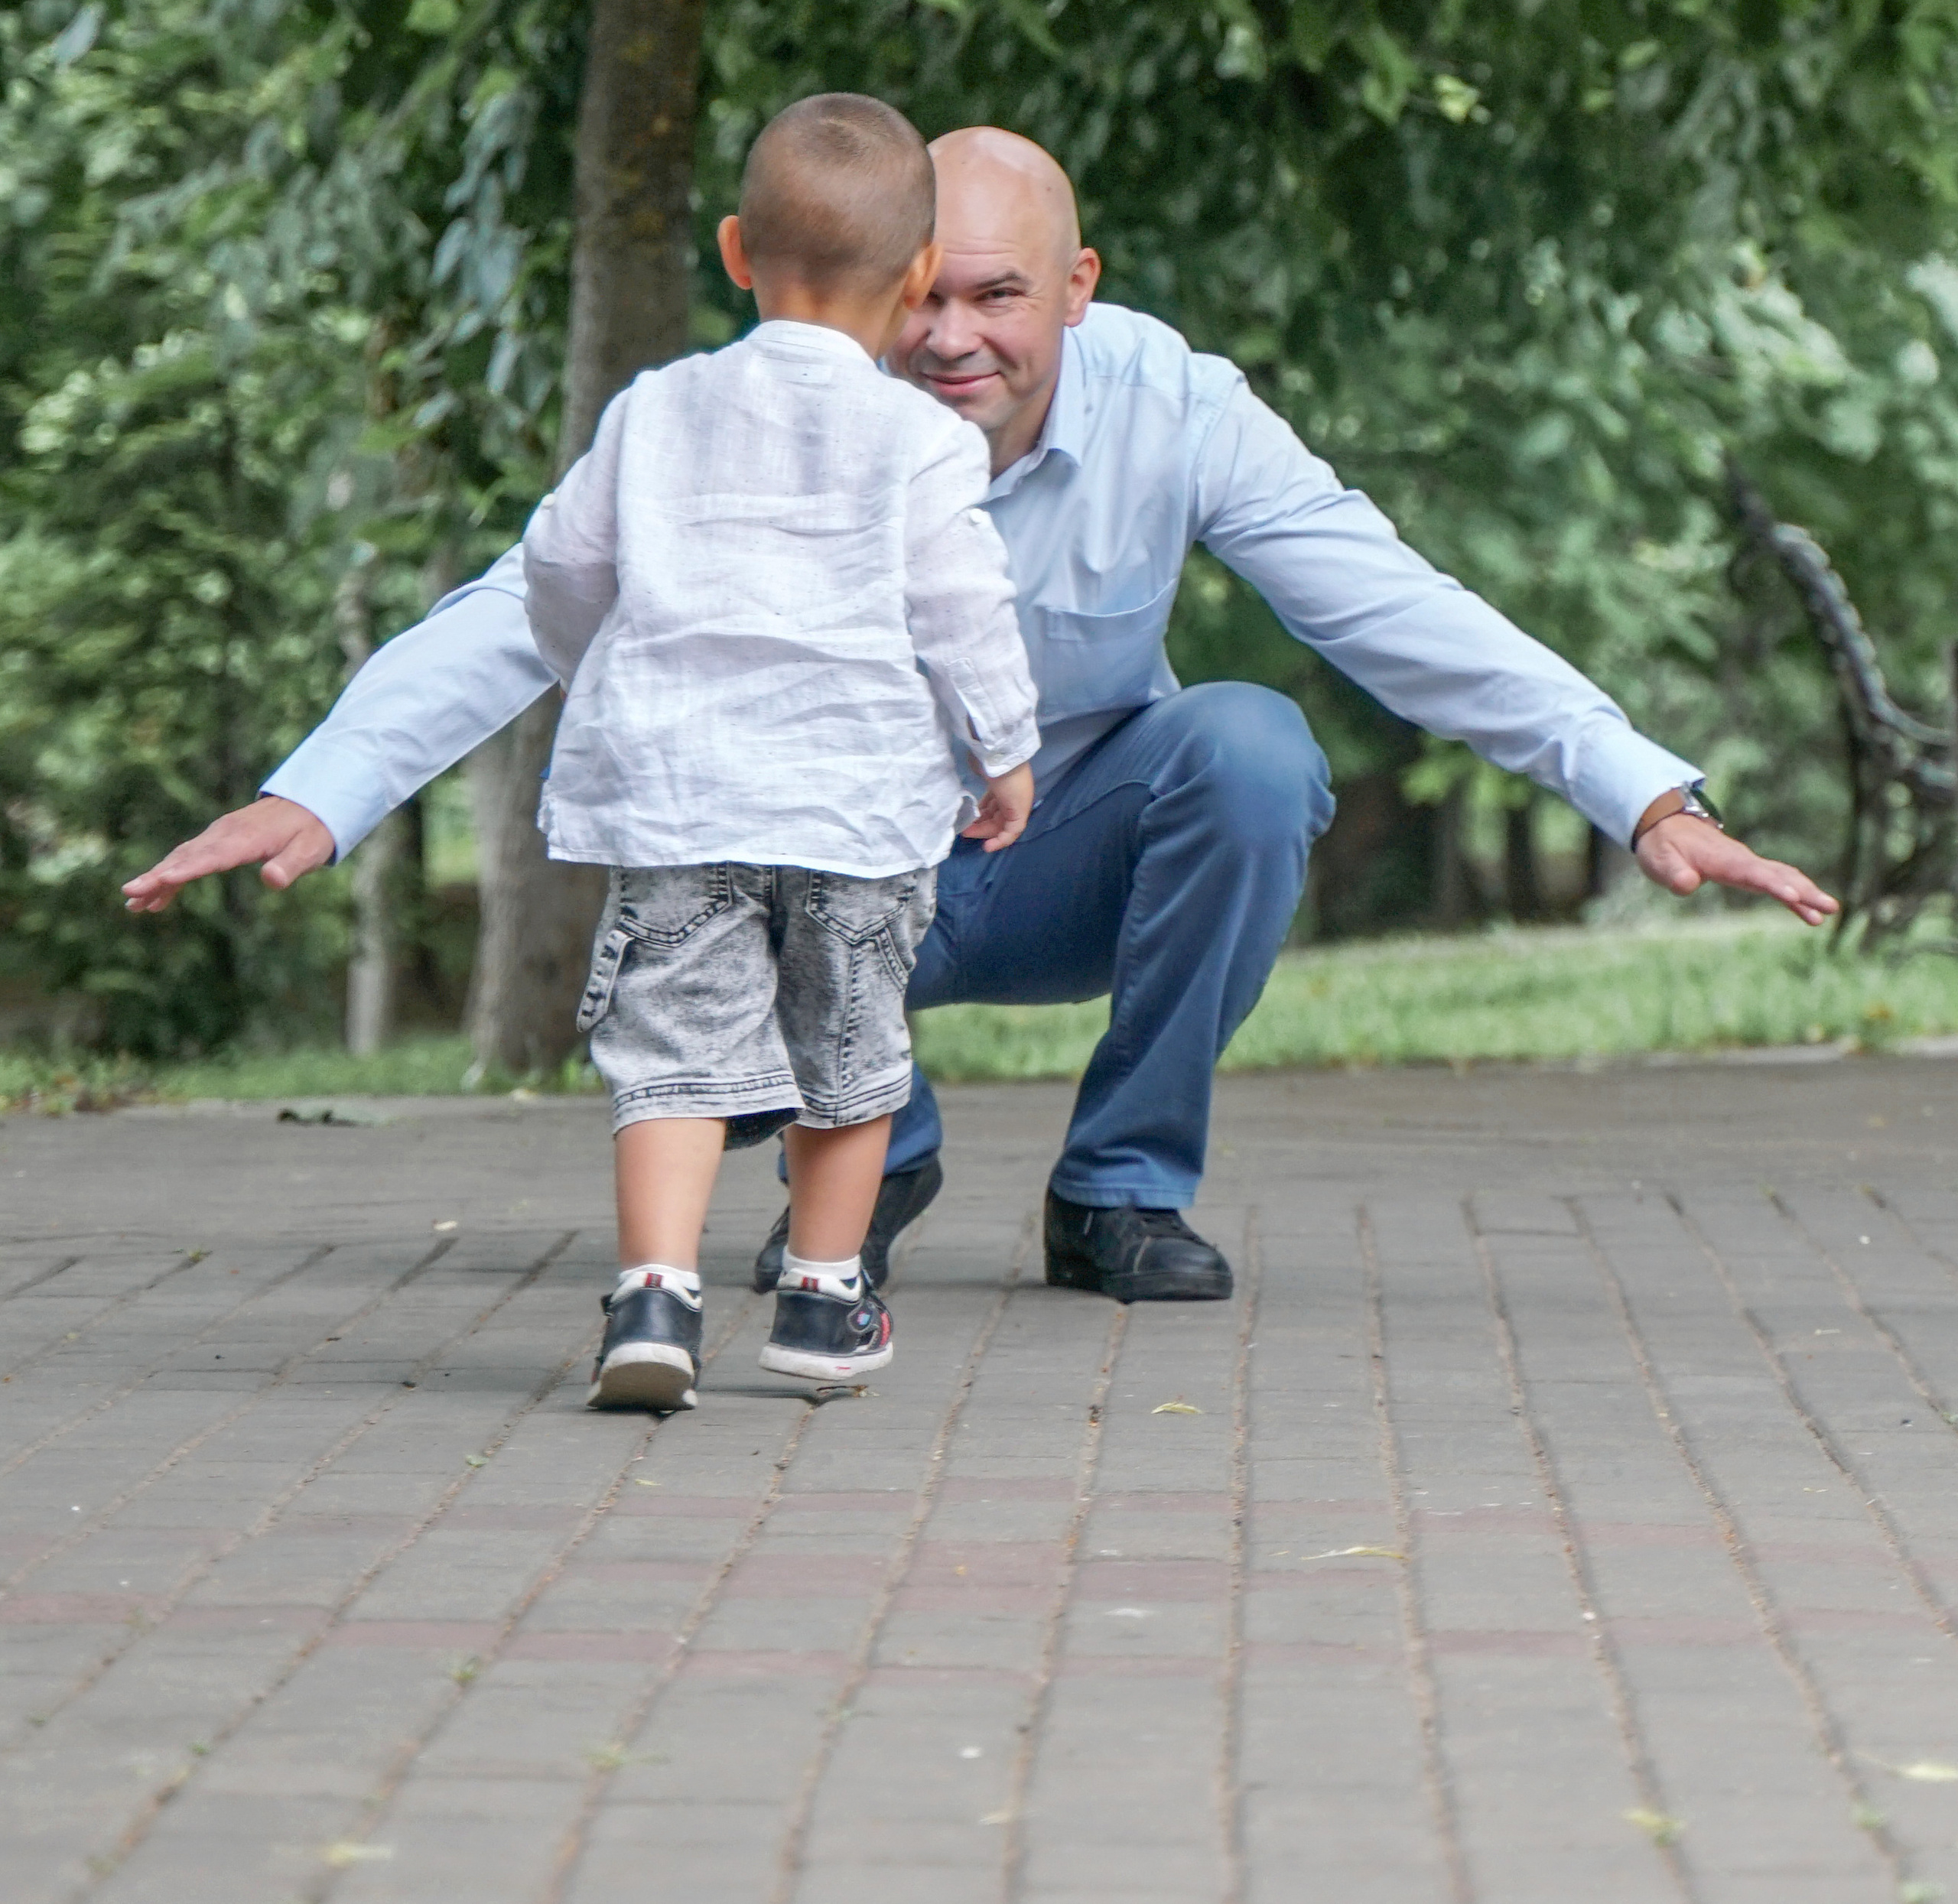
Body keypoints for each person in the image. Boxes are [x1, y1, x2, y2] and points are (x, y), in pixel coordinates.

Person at [125, 126, 1838, 1307]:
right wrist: (324, 790)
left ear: (1075, 286)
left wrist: (1635, 790)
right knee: (692, 851)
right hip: (816, 870)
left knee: (1248, 745)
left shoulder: (1177, 406)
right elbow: (529, 603)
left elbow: (1391, 605)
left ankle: (1118, 1192)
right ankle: (881, 1153)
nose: (948, 335)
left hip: (1044, 861)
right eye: (921, 289)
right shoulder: (745, 419)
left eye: (995, 294)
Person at [524, 94, 1036, 1410]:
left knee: (672, 1054)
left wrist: (598, 666)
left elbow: (563, 560)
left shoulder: (655, 410)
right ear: (920, 275)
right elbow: (962, 608)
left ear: (737, 249)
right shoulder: (924, 438)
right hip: (857, 809)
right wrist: (1005, 750)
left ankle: (652, 1295)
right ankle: (821, 1298)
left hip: (685, 801)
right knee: (850, 1057)